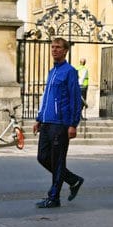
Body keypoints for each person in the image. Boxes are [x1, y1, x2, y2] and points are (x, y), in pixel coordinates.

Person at [33, 38, 84, 209]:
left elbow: (75, 98)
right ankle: (73, 180)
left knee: (58, 160)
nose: (54, 50)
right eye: (52, 47)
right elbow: (47, 97)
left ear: (65, 51)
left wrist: (73, 124)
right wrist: (39, 119)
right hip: (47, 122)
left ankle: (54, 197)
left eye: (58, 47)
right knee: (42, 157)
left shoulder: (70, 71)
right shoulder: (51, 72)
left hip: (61, 123)